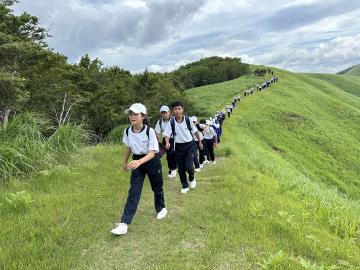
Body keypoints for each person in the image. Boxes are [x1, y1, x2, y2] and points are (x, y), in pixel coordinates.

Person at [111, 103, 167, 235]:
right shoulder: (127, 131)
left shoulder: (150, 131)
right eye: (130, 114)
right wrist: (125, 162)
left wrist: (139, 162)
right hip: (137, 160)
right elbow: (128, 147)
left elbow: (153, 152)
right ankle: (124, 223)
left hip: (151, 160)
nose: (132, 116)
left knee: (157, 187)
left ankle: (161, 208)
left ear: (143, 116)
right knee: (134, 192)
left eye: (135, 114)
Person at [163, 101, 203, 194]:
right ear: (172, 111)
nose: (177, 111)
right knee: (181, 169)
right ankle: (184, 186)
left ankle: (192, 178)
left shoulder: (188, 120)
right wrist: (167, 142)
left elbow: (196, 132)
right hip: (178, 147)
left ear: (182, 109)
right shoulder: (171, 122)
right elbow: (167, 134)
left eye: (179, 109)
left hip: (189, 145)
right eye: (175, 109)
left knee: (189, 167)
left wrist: (200, 142)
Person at [155, 105, 177, 178]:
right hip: (165, 139)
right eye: (162, 113)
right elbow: (157, 131)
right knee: (165, 155)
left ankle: (173, 169)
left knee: (171, 154)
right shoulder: (160, 121)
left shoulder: (174, 120)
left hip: (174, 139)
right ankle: (172, 169)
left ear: (169, 112)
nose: (164, 114)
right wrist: (157, 140)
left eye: (165, 112)